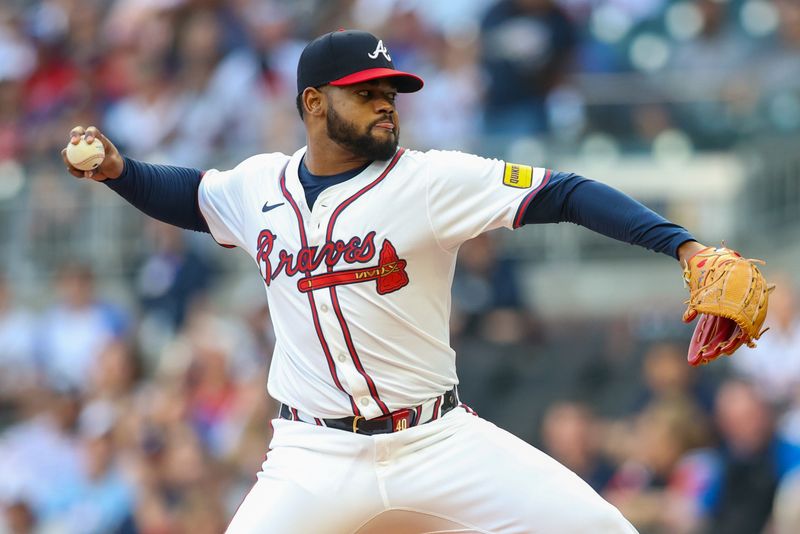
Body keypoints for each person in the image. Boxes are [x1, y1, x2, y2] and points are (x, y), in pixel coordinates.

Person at [62, 29, 713, 533]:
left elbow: (565, 192)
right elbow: (191, 195)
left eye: (388, 94)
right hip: (313, 455)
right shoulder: (259, 185)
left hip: (437, 438)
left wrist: (682, 247)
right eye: (365, 93)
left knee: (602, 527)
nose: (385, 106)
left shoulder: (429, 180)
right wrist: (122, 171)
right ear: (314, 103)